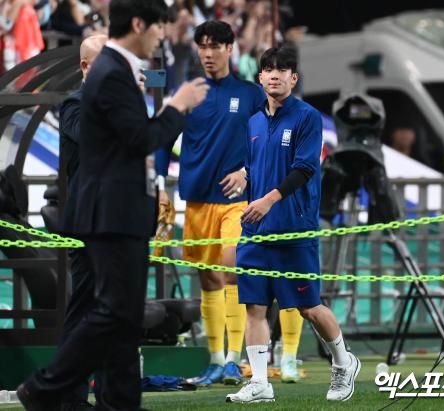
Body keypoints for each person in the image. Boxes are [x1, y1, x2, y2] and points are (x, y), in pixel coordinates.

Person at [16, 0, 209, 408]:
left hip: (121, 211)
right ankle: (49, 387)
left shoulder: (119, 79)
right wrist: (176, 107)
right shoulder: (97, 85)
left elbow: (132, 146)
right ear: (138, 23)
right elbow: (133, 140)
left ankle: (112, 400)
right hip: (104, 214)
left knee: (119, 316)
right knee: (108, 311)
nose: (162, 35)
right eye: (157, 25)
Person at [156, 20, 309, 387]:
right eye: (203, 46)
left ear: (229, 49)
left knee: (231, 269)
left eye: (215, 46)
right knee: (208, 279)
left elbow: (273, 137)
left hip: (238, 202)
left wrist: (247, 172)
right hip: (197, 199)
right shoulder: (187, 92)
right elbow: (161, 139)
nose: (208, 53)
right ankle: (215, 359)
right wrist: (160, 185)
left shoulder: (251, 94)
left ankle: (233, 358)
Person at [226, 47, 361, 404]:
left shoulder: (307, 118)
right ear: (260, 77)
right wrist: (243, 175)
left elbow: (304, 169)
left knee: (309, 307)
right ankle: (259, 382)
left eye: (282, 69)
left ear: (294, 78)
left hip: (294, 230)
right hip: (255, 231)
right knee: (254, 307)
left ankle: (344, 361)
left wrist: (269, 200)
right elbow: (255, 165)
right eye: (268, 69)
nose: (275, 74)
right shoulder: (253, 122)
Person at [57, 34, 107, 411]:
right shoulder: (74, 103)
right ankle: (68, 396)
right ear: (86, 67)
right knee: (85, 310)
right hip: (89, 221)